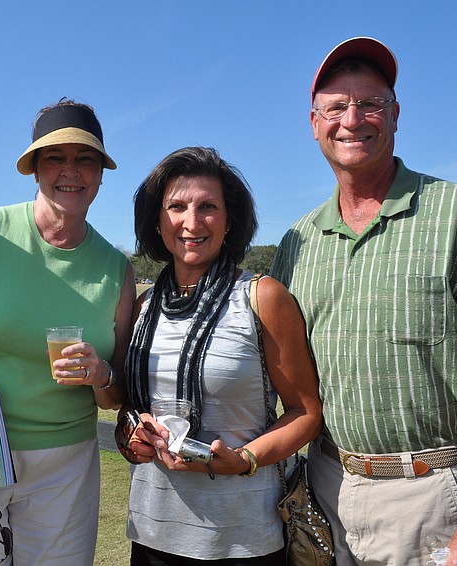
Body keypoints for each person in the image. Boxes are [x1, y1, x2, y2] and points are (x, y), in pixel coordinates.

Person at [270, 37, 457, 565]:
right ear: (314, 123)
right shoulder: (297, 242)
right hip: (328, 491)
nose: (352, 118)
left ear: (395, 115)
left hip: (432, 497)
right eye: (336, 107)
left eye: (370, 103)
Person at [0, 98, 136, 565]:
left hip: (68, 463)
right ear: (35, 169)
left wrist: (101, 374)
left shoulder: (115, 268)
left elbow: (117, 393)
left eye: (85, 159)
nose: (71, 171)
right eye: (55, 158)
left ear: (101, 173)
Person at [119, 147, 323, 564]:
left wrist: (244, 460)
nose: (191, 222)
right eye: (176, 206)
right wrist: (130, 436)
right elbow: (131, 406)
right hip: (153, 531)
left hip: (243, 537)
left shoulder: (262, 298)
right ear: (157, 222)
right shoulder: (142, 308)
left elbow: (305, 412)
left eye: (208, 207)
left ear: (229, 221)